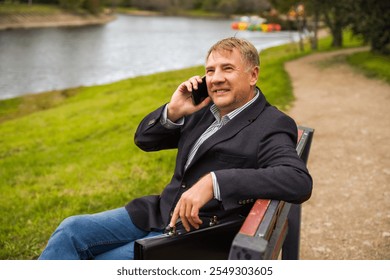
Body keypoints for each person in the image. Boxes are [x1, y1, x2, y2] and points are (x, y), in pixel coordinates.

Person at [39, 37, 312, 260]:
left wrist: (215, 182)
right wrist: (174, 110)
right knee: (70, 230)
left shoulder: (271, 124)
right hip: (157, 212)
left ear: (253, 75)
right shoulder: (204, 110)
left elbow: (297, 180)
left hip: (194, 235)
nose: (215, 79)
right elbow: (145, 140)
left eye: (227, 68)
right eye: (210, 70)